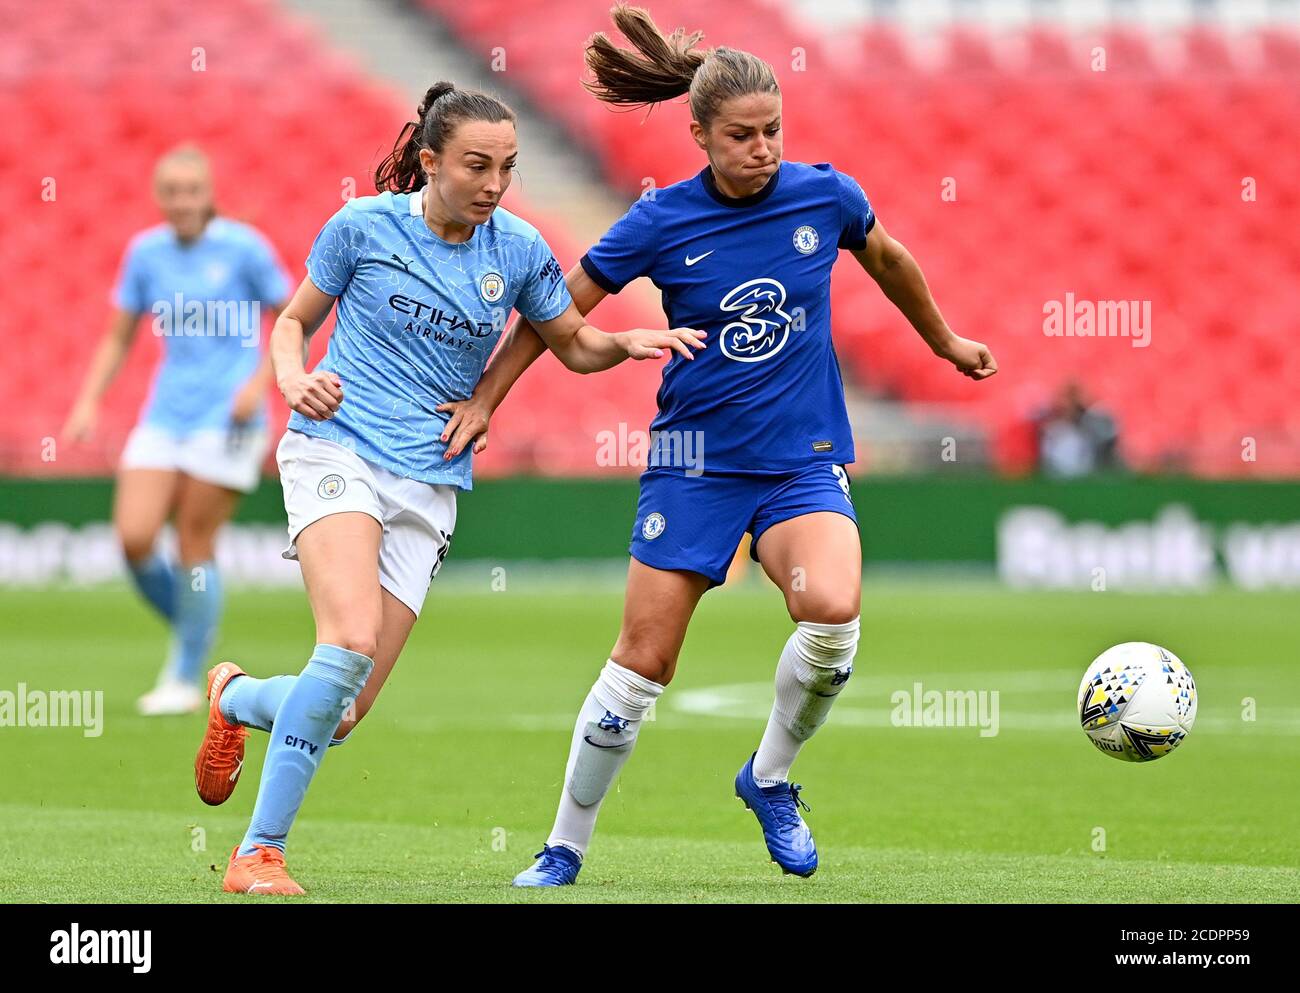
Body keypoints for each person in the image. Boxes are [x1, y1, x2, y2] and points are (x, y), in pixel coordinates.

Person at [449, 5, 998, 886]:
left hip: (798, 461)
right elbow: (558, 310)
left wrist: (943, 341)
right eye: (741, 135)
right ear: (700, 135)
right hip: (694, 466)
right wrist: (485, 399)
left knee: (834, 612)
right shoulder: (660, 222)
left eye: (773, 130)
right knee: (643, 664)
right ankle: (564, 844)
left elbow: (890, 259)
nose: (763, 147)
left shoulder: (827, 194)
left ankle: (769, 777)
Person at [192, 81, 704, 895]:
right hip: (338, 447)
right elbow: (293, 323)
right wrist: (294, 380)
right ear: (430, 161)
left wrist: (627, 341)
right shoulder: (361, 226)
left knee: (345, 712)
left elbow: (570, 343)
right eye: (476, 165)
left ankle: (237, 697)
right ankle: (258, 853)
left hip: (429, 479)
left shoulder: (520, 251)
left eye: (507, 166)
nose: (495, 184)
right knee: (348, 641)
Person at [62, 144, 290, 716]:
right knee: (134, 537)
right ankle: (197, 630)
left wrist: (259, 383)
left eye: (192, 191)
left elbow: (292, 318)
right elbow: (119, 334)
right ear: (159, 197)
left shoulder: (243, 248)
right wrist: (89, 401)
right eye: (172, 192)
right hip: (166, 413)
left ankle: (185, 675)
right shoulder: (146, 253)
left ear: (209, 193)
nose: (182, 202)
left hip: (230, 420)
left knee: (194, 543)